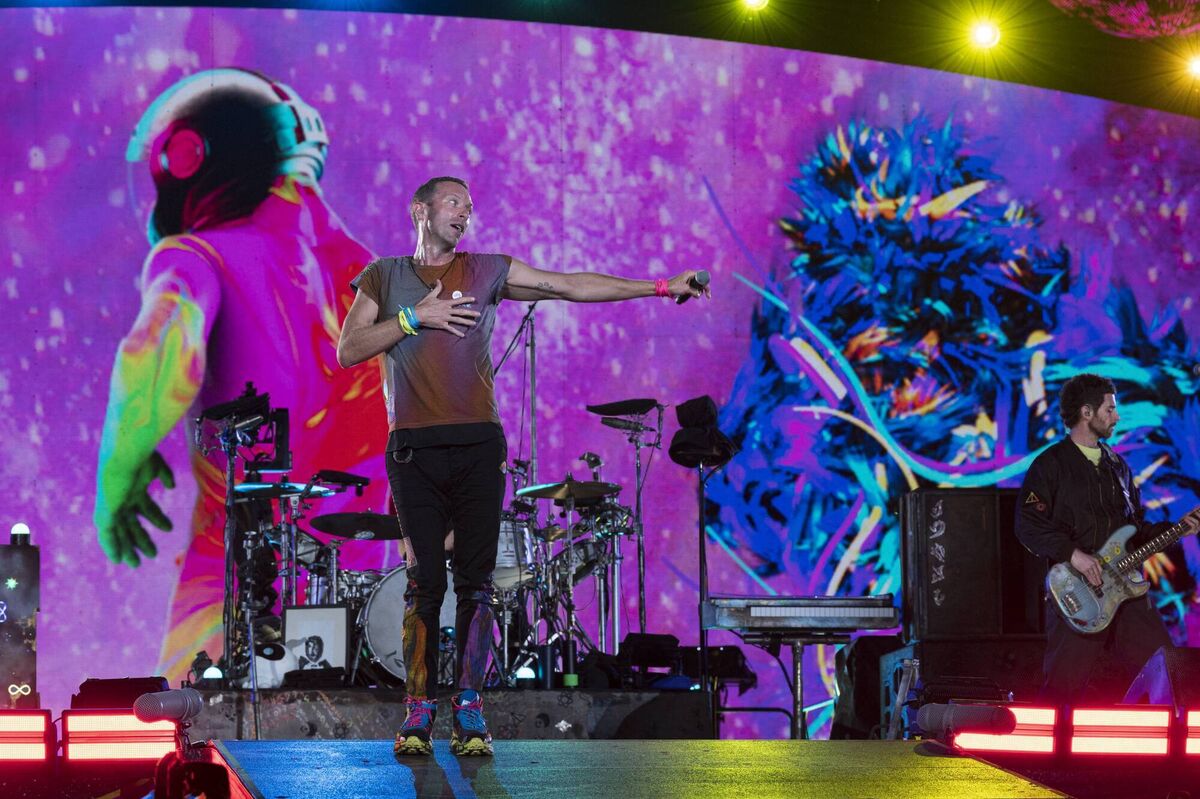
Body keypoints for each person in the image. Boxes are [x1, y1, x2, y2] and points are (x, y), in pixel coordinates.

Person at [336, 176, 709, 756]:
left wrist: (660, 286)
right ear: (421, 210)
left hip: (479, 444)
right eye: (454, 202)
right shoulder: (384, 275)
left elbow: (568, 286)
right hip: (413, 448)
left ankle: (469, 709)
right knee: (424, 583)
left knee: (478, 585)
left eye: (470, 205)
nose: (465, 213)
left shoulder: (486, 269)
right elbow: (348, 349)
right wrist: (416, 318)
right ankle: (416, 714)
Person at [93, 69, 385, 684]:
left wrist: (117, 473)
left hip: (232, 608)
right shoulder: (374, 279)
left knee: (197, 757)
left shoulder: (203, 256)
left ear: (190, 159)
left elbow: (158, 353)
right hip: (361, 620)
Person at [1015, 373, 1200, 703]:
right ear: (1087, 413)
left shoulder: (1119, 467)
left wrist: (1180, 527)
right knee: (1063, 691)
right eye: (1110, 410)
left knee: (1165, 673)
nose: (1116, 417)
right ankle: (1054, 753)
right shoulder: (1051, 464)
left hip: (1126, 589)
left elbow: (1136, 531)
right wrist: (1075, 555)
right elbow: (1028, 524)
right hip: (1078, 591)